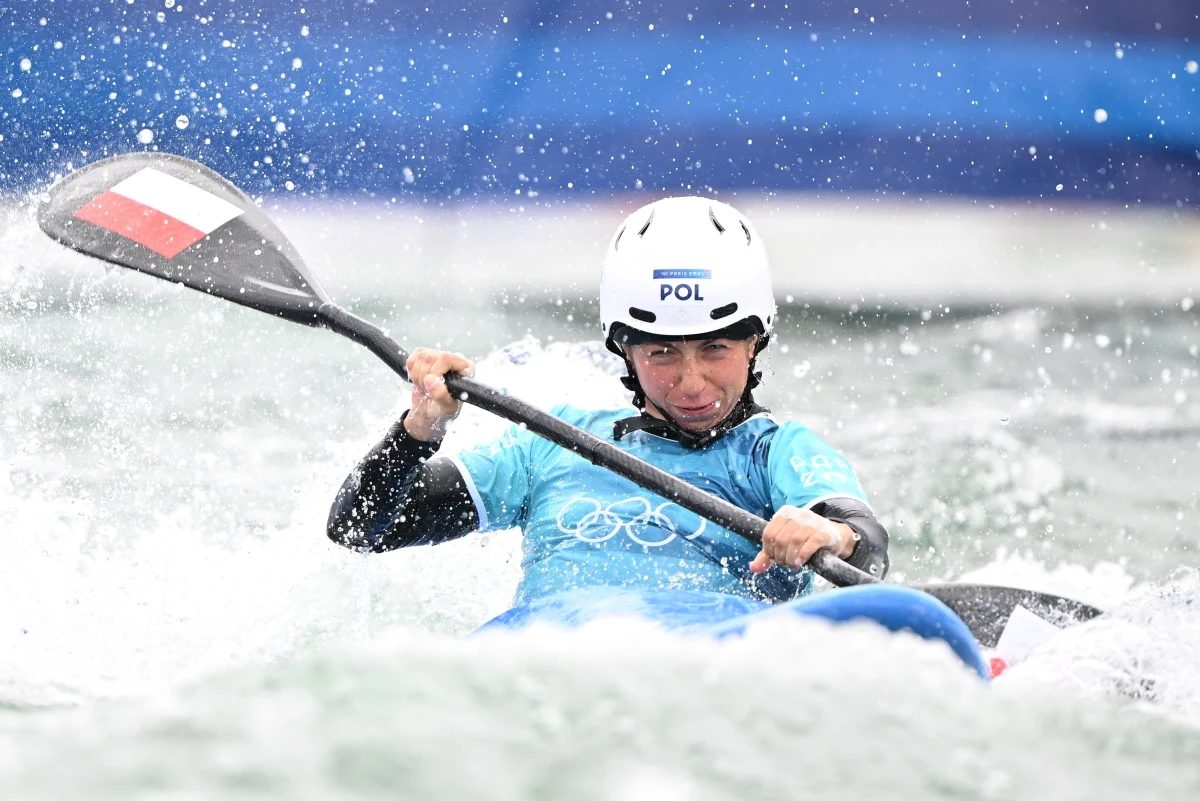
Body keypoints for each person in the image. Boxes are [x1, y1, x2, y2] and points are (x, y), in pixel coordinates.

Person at [327, 197, 888, 606]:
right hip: (538, 669)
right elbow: (359, 529)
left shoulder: (776, 453)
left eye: (715, 348)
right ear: (624, 351)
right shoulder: (549, 444)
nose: (692, 382)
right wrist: (419, 426)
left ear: (754, 342)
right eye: (662, 353)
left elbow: (863, 541)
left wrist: (830, 535)